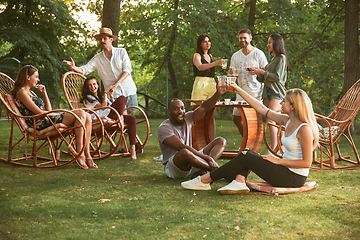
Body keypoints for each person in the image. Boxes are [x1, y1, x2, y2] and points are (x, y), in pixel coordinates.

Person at [181, 82, 319, 194]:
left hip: (293, 177)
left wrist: (277, 161)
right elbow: (261, 108)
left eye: (284, 101)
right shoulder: (286, 120)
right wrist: (238, 90)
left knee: (247, 156)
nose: (281, 103)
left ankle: (205, 180)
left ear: (293, 106)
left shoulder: (304, 129)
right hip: (284, 170)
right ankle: (239, 181)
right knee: (246, 152)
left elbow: (307, 163)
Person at [11, 65, 97, 169]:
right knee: (81, 113)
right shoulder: (21, 92)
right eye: (36, 77)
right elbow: (39, 112)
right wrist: (58, 114)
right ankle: (80, 153)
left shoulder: (31, 93)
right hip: (38, 123)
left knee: (86, 115)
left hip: (46, 118)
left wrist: (44, 94)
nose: (38, 79)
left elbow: (48, 110)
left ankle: (86, 153)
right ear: (28, 77)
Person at [158, 83, 227, 179]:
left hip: (192, 161)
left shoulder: (188, 118)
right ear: (168, 111)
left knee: (221, 141)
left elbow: (204, 107)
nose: (180, 112)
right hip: (176, 168)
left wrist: (218, 93)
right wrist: (208, 158)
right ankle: (218, 171)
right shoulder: (164, 128)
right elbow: (181, 147)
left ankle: (203, 170)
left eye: (182, 108)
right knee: (184, 152)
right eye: (175, 109)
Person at [63, 27, 138, 112]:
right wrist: (74, 67)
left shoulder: (121, 52)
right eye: (100, 39)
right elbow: (85, 69)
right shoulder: (97, 59)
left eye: (105, 38)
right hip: (113, 95)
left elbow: (127, 70)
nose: (102, 41)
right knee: (119, 119)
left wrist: (115, 85)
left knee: (129, 119)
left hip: (129, 90)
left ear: (111, 39)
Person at [249, 33, 288, 153]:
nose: (267, 45)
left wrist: (262, 71)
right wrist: (258, 73)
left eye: (270, 42)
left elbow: (277, 77)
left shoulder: (281, 58)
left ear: (276, 43)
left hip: (277, 93)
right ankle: (282, 149)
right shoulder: (273, 59)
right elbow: (267, 78)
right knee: (278, 121)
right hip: (270, 94)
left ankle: (273, 150)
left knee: (271, 121)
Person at [81, 76, 137, 160]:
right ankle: (120, 118)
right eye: (90, 85)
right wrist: (105, 93)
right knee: (122, 97)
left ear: (98, 85)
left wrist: (110, 96)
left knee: (132, 118)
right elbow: (103, 107)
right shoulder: (88, 99)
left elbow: (115, 106)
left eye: (94, 84)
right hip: (102, 119)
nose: (92, 87)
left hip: (112, 116)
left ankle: (132, 148)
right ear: (87, 87)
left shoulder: (102, 97)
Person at [229, 28, 268, 136]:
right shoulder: (235, 56)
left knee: (253, 121)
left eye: (245, 38)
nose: (242, 40)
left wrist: (257, 72)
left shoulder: (258, 54)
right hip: (241, 93)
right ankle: (247, 139)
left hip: (255, 93)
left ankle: (251, 144)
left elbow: (266, 73)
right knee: (236, 118)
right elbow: (230, 74)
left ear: (250, 38)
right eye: (240, 38)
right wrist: (231, 76)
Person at [191, 33, 225, 140]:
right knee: (198, 115)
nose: (207, 43)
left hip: (211, 84)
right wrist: (215, 63)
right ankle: (196, 142)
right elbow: (200, 67)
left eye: (209, 41)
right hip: (201, 84)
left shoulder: (210, 56)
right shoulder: (197, 55)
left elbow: (211, 73)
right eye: (205, 41)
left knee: (211, 117)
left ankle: (211, 142)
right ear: (200, 44)